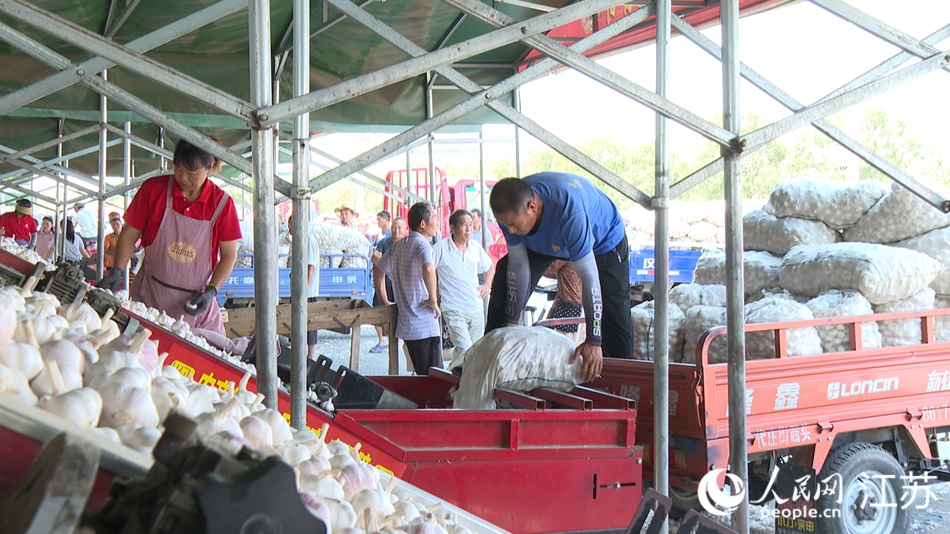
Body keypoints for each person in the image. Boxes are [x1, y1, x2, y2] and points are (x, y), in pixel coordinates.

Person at [486, 173, 634, 381]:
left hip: (604, 241)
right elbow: (518, 265)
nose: (510, 230)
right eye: (506, 225)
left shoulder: (568, 212)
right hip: (549, 237)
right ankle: (491, 355)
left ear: (532, 207)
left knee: (614, 311)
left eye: (515, 225)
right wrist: (511, 320)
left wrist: (593, 339)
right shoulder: (511, 211)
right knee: (504, 270)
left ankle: (621, 381)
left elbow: (589, 278)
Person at [97, 139, 241, 336]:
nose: (183, 177)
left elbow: (229, 255)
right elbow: (129, 235)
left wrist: (211, 291)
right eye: (178, 169)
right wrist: (117, 270)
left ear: (209, 168)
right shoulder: (154, 190)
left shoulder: (222, 205)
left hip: (196, 306)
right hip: (149, 301)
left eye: (191, 173)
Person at [373, 203, 441, 375]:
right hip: (424, 325)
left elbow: (378, 269)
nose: (437, 222)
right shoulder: (423, 245)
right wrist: (433, 299)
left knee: (421, 375)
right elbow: (428, 268)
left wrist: (384, 301)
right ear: (423, 224)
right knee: (434, 379)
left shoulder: (399, 245)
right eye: (434, 218)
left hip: (408, 326)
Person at [432, 209, 494, 356]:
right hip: (453, 308)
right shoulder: (440, 248)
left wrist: (487, 284)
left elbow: (489, 267)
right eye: (464, 225)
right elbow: (428, 270)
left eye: (471, 225)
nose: (469, 229)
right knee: (467, 351)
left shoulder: (475, 247)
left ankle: (453, 375)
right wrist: (434, 290)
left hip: (476, 307)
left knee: (474, 352)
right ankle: (456, 377)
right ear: (452, 228)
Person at [369, 216, 407, 354]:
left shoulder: (407, 244)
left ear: (405, 230)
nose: (396, 231)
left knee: (400, 312)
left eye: (399, 228)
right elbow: (374, 257)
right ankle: (382, 340)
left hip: (401, 285)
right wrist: (390, 263)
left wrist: (384, 261)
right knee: (377, 310)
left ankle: (398, 341)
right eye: (394, 228)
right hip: (384, 283)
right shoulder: (384, 242)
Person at [288, 214, 321, 360]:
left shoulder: (308, 241)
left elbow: (310, 268)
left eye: (291, 224)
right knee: (301, 325)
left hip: (307, 293)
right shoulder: (299, 241)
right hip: (300, 292)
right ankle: (302, 356)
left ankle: (311, 357)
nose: (289, 228)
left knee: (310, 325)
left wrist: (304, 291)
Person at [544, 260, 585, 345]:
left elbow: (547, 269)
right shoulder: (589, 253)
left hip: (570, 308)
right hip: (586, 307)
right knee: (578, 347)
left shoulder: (567, 255)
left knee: (562, 346)